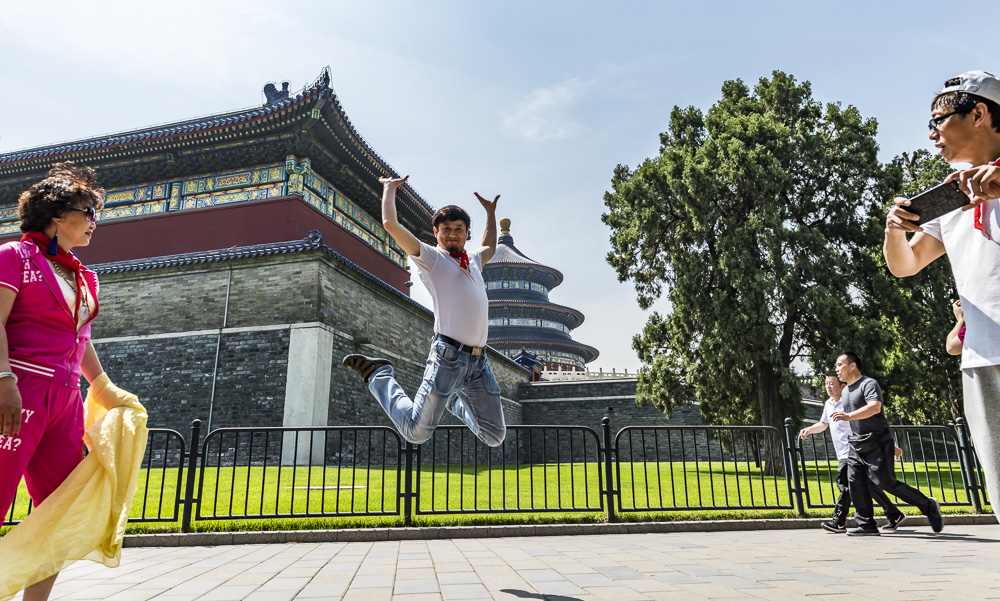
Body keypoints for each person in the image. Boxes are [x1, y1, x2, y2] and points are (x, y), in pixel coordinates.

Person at [0, 163, 134, 601]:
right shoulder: (13, 256)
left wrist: (104, 387)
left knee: (59, 510)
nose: (95, 221)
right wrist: (3, 379)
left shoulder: (83, 276)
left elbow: (81, 340)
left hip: (66, 400)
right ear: (57, 216)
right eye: (87, 211)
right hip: (19, 389)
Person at [884, 71, 1000, 523]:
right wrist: (894, 230)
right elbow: (906, 265)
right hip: (982, 357)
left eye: (938, 120)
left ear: (979, 114)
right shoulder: (950, 197)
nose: (931, 133)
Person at [342, 175, 506, 447]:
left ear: (467, 233)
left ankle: (454, 401)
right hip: (448, 357)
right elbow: (391, 224)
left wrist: (490, 213)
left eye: (459, 228)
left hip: (479, 363)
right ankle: (379, 375)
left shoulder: (473, 261)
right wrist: (389, 189)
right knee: (415, 432)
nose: (452, 233)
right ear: (436, 232)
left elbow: (489, 245)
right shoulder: (431, 258)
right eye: (446, 229)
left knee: (494, 436)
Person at [830, 352, 942, 536]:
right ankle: (867, 525)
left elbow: (875, 407)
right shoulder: (845, 391)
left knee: (885, 482)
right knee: (855, 482)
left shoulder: (868, 384)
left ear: (853, 366)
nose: (836, 369)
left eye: (839, 364)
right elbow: (857, 421)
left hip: (877, 441)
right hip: (857, 444)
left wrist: (848, 416)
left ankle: (928, 505)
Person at [800, 371, 906, 533]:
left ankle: (838, 521)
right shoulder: (829, 404)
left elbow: (871, 425)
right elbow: (824, 424)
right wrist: (809, 430)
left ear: (842, 386)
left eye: (832, 383)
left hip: (853, 452)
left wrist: (891, 446)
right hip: (846, 453)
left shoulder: (850, 404)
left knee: (845, 485)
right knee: (869, 485)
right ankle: (894, 514)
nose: (828, 387)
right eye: (826, 383)